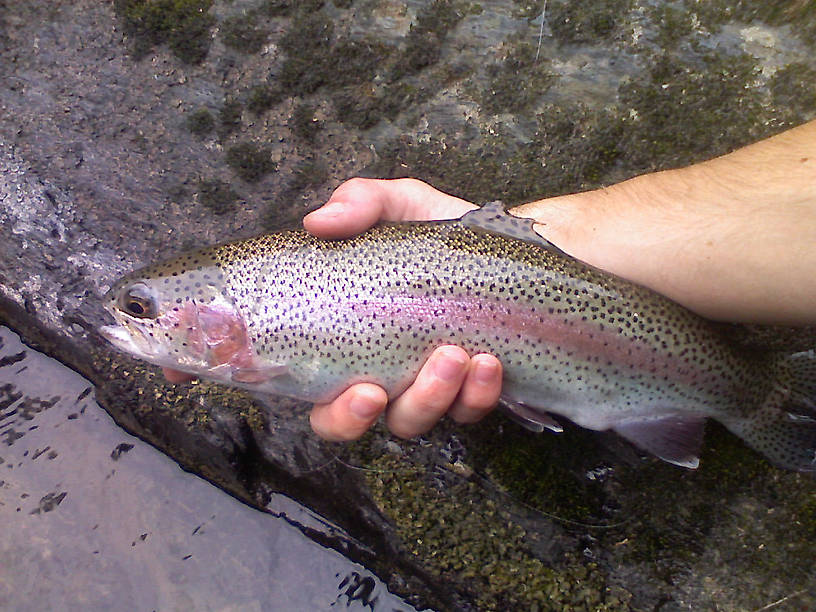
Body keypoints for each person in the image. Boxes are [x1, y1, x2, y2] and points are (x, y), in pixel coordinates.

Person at [166, 120, 816, 442]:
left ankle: (750, 392)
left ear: (207, 314)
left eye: (141, 308)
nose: (135, 319)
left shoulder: (243, 344)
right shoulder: (241, 341)